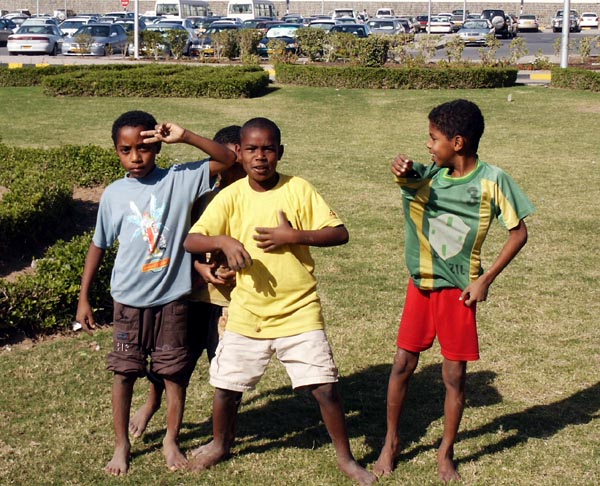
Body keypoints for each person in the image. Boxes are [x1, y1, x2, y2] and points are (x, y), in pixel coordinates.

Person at [183, 117, 376, 485]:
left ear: (280, 153)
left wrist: (294, 235)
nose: (260, 157)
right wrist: (223, 242)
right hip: (247, 312)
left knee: (325, 387)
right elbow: (193, 240)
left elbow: (340, 233)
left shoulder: (299, 189)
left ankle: (346, 459)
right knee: (226, 388)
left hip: (299, 309)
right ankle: (221, 443)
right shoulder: (231, 196)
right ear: (238, 154)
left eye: (268, 149)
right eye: (252, 149)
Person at [373, 99, 535, 482]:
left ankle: (446, 451)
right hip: (421, 287)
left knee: (454, 376)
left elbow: (519, 232)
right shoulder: (427, 175)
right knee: (401, 366)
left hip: (458, 294)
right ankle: (391, 442)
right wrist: (403, 168)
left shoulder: (494, 181)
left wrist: (484, 279)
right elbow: (406, 177)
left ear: (458, 142)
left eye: (434, 138)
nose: (428, 145)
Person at [75, 110, 236, 476]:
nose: (135, 157)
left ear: (156, 146)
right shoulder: (114, 194)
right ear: (116, 151)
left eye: (143, 148)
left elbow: (228, 159)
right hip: (128, 302)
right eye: (125, 150)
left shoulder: (180, 179)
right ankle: (121, 444)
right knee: (124, 374)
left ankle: (170, 439)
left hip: (172, 301)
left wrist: (185, 136)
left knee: (174, 374)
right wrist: (84, 297)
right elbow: (98, 245)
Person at [128, 125, 245, 441]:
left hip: (232, 303)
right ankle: (153, 401)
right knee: (174, 359)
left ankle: (225, 429)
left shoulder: (254, 197)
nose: (236, 164)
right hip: (192, 294)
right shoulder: (203, 197)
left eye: (240, 157)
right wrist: (198, 266)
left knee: (228, 367)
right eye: (230, 158)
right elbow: (181, 240)